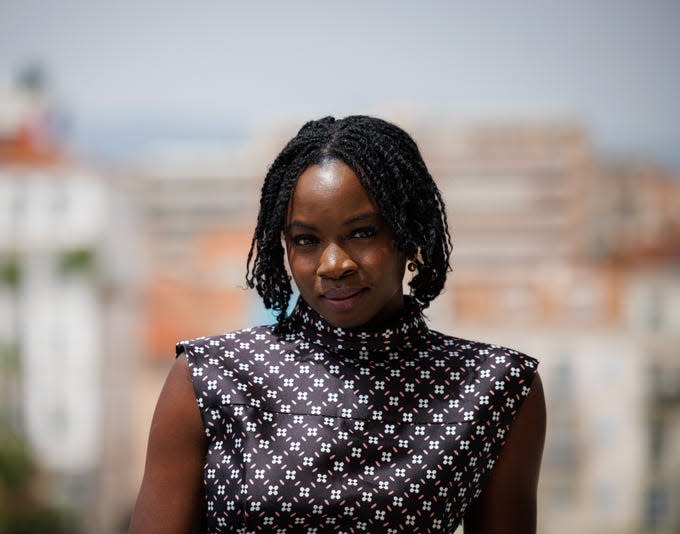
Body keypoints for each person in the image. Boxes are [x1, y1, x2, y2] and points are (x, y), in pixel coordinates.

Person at [129, 115, 546, 534]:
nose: (333, 265)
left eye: (362, 233)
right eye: (306, 241)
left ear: (410, 233)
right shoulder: (208, 378)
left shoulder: (495, 388)